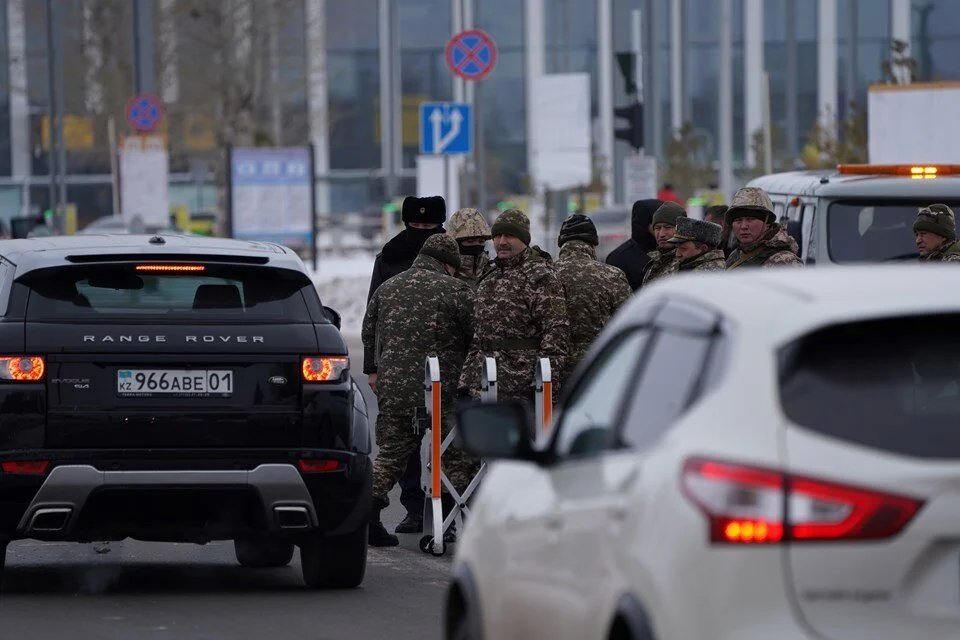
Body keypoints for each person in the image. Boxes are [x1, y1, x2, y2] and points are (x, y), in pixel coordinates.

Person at [361, 234, 476, 547]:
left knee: (391, 456)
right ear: (448, 265)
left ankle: (367, 516)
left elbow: (368, 333)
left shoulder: (388, 287)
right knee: (453, 451)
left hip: (395, 387)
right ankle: (448, 519)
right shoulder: (457, 290)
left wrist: (373, 370)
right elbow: (475, 335)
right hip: (441, 387)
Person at [363, 194, 446, 535]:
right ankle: (413, 508)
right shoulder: (390, 256)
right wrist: (372, 367)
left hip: (445, 359)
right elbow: (373, 315)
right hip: (401, 364)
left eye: (429, 227)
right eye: (416, 226)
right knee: (405, 439)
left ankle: (446, 507)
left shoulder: (451, 253)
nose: (422, 232)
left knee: (446, 437)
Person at [458, 208, 570, 404]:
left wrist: (544, 387)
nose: (502, 242)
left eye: (509, 236)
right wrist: (466, 381)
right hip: (483, 387)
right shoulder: (489, 279)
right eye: (497, 236)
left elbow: (556, 336)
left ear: (524, 239)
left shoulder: (540, 278)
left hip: (521, 390)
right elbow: (479, 337)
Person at [554, 214, 632, 383]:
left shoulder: (546, 275)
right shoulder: (612, 275)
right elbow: (627, 322)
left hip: (556, 369)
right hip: (599, 367)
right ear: (592, 244)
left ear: (562, 243)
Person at [725, 187, 803, 269]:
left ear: (767, 222)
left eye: (751, 219)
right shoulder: (736, 255)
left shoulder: (784, 262)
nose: (743, 226)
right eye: (738, 220)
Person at [606, 199, 662, 291]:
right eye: (657, 226)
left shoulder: (678, 251)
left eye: (668, 226)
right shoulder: (619, 258)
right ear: (645, 224)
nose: (662, 233)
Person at [640, 202, 687, 287]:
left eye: (668, 227)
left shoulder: (688, 260)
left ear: (681, 228)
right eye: (657, 228)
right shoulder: (654, 262)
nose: (661, 234)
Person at [447, 207, 492, 286]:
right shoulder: (445, 275)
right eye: (470, 241)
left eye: (481, 241)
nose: (477, 245)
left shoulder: (492, 275)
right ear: (455, 243)